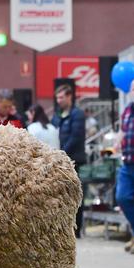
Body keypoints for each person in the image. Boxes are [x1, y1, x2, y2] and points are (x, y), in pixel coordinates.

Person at [52, 84, 87, 237]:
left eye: (61, 97)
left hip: (74, 160)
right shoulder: (57, 115)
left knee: (75, 193)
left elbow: (76, 137)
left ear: (69, 97)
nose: (58, 101)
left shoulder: (77, 114)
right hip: (60, 160)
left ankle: (77, 228)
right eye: (57, 98)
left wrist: (62, 154)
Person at [116, 77, 134, 254]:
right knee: (122, 198)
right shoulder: (127, 111)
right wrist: (117, 144)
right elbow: (122, 131)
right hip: (127, 164)